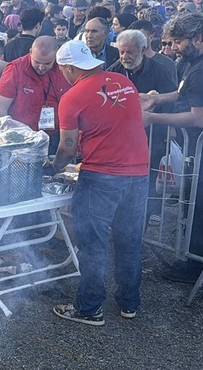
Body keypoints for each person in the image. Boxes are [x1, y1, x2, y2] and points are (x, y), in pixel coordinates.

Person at [48, 40, 149, 326]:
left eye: (62, 70)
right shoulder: (123, 82)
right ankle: (129, 303)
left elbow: (67, 147)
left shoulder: (72, 96)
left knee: (93, 243)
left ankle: (89, 308)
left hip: (102, 175)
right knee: (129, 241)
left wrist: (53, 167)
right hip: (138, 172)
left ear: (69, 67)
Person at [140, 13, 203, 284]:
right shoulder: (196, 62)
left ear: (197, 38)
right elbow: (184, 92)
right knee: (194, 204)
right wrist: (156, 99)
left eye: (177, 41)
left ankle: (199, 266)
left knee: (202, 206)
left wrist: (153, 118)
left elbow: (198, 117)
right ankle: (194, 259)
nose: (173, 47)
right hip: (201, 148)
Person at [107, 29, 178, 221]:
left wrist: (170, 125)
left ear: (143, 50)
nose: (124, 57)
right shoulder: (114, 70)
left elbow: (173, 99)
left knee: (146, 182)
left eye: (129, 52)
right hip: (122, 138)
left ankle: (143, 220)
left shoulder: (159, 71)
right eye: (121, 52)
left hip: (152, 136)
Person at [0, 36, 71, 154]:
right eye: (37, 62)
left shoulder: (63, 70)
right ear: (30, 52)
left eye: (47, 63)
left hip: (53, 135)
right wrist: (4, 141)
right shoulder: (15, 69)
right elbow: (0, 110)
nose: (41, 67)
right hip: (21, 138)